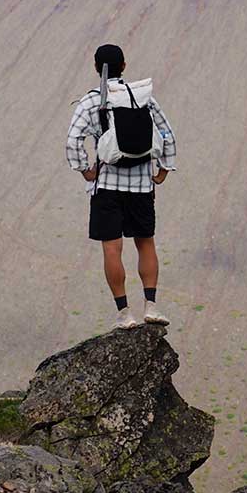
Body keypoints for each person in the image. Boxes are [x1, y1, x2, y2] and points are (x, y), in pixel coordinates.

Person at [65, 43, 177, 329]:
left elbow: (73, 140)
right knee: (145, 242)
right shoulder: (142, 98)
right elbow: (166, 133)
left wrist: (85, 170)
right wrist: (163, 169)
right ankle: (151, 305)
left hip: (108, 187)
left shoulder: (91, 102)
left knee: (112, 249)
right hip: (141, 185)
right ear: (124, 66)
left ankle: (124, 313)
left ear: (95, 68)